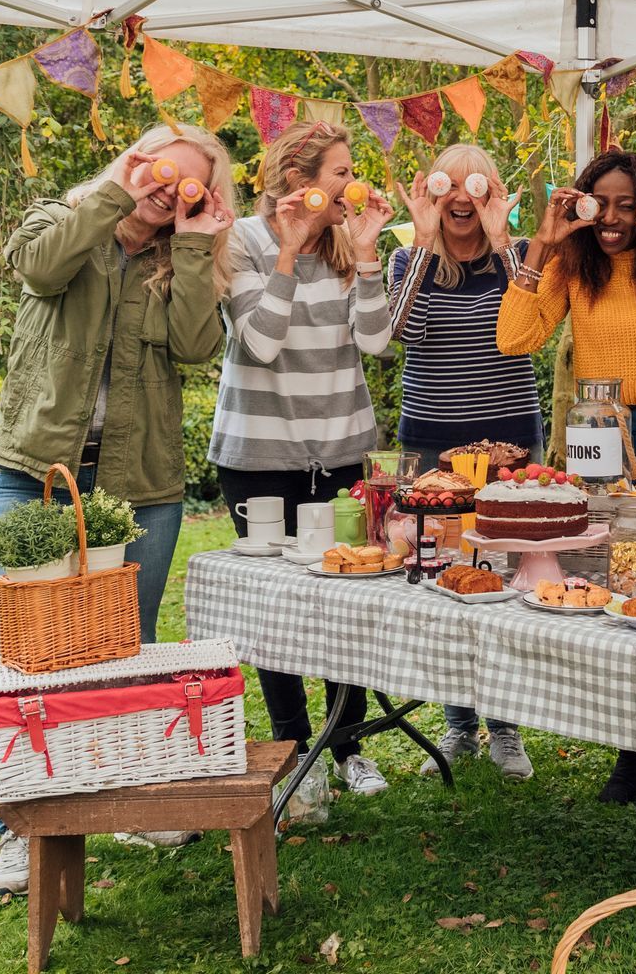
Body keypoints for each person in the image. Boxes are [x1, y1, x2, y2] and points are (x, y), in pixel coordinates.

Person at [0, 123, 236, 899]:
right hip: (35, 477)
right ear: (132, 163)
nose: (169, 189)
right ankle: (20, 835)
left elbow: (196, 347)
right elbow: (40, 269)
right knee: (23, 663)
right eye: (161, 171)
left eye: (190, 183)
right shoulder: (56, 223)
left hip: (138, 484)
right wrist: (115, 194)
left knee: (130, 649)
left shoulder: (181, 262)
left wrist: (193, 247)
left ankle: (134, 801)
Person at [497, 149, 636, 803]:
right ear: (582, 203)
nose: (613, 218)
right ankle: (631, 749)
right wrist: (541, 243)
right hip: (595, 427)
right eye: (601, 203)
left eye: (627, 204)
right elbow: (515, 337)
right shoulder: (571, 260)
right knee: (611, 589)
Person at [210, 115, 397, 823]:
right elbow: (259, 343)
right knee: (277, 607)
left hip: (343, 447)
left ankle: (346, 746)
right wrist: (288, 254)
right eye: (341, 173)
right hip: (262, 452)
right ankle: (293, 749)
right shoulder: (244, 242)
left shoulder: (350, 244)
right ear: (300, 182)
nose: (352, 186)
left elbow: (377, 343)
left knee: (345, 602)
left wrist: (370, 254)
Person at [388, 143, 537, 781]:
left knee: (499, 576)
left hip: (507, 437)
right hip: (430, 443)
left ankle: (504, 726)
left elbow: (533, 325)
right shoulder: (407, 257)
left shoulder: (522, 255)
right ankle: (457, 725)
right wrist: (422, 245)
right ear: (433, 196)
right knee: (446, 578)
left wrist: (505, 244)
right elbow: (399, 332)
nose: (460, 199)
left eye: (475, 188)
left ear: (491, 194)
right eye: (448, 187)